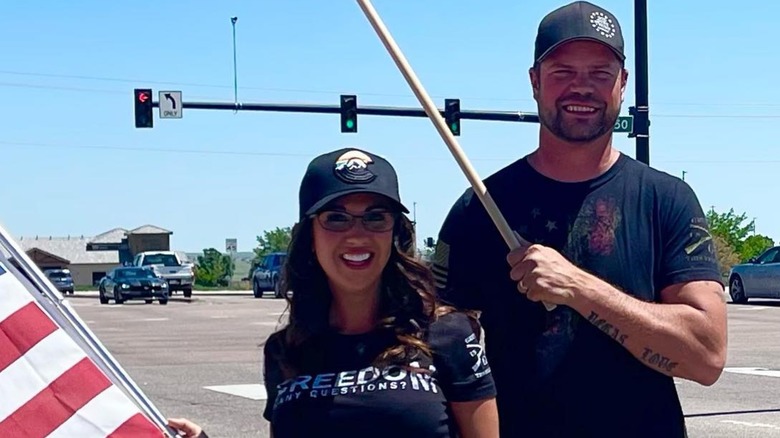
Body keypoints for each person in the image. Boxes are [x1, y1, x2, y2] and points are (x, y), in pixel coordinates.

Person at [431, 2, 728, 437]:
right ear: (534, 82)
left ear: (623, 83)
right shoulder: (478, 209)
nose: (581, 88)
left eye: (600, 73)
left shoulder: (667, 201)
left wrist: (579, 288)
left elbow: (707, 358)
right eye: (562, 72)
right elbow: (434, 350)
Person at [258, 147, 499, 437]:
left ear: (394, 232)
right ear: (310, 236)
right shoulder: (285, 350)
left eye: (376, 217)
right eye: (336, 218)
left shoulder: (448, 334)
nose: (357, 234)